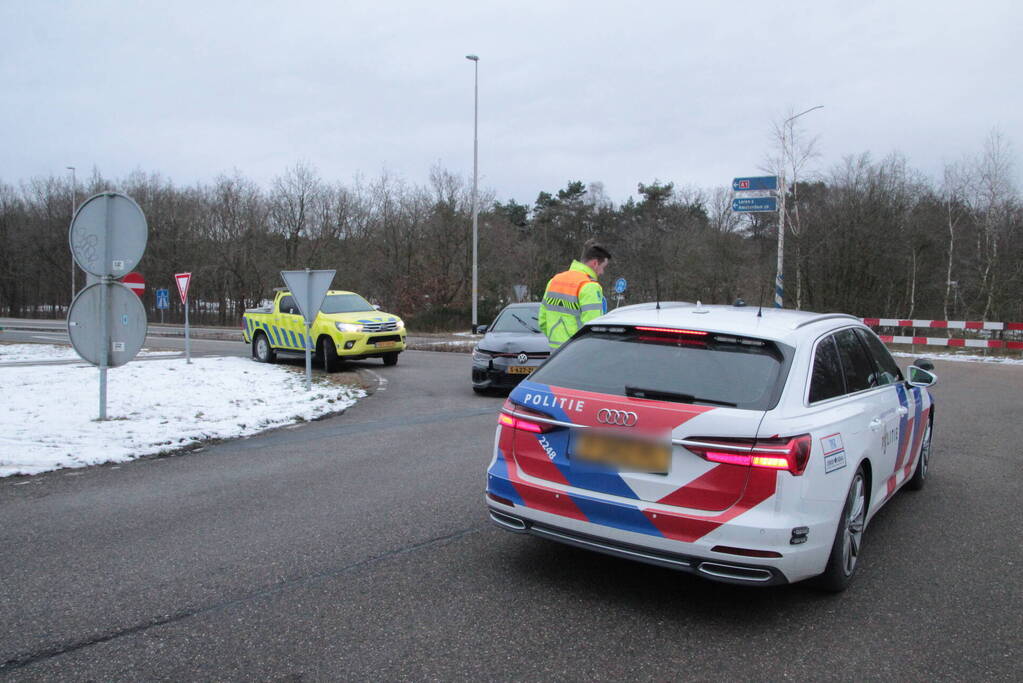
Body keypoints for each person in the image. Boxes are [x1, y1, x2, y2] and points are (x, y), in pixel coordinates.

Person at [538, 239, 612, 349]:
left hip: (554, 355)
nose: (602, 272)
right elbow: (594, 329)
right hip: (578, 354)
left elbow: (543, 321)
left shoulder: (554, 281)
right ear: (595, 263)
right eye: (603, 267)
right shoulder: (589, 286)